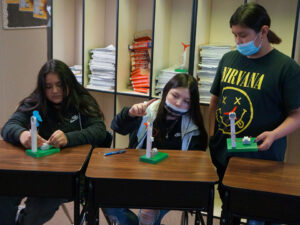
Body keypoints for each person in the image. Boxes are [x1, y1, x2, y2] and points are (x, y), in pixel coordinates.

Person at [208, 2, 300, 225]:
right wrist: (212, 137)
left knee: (257, 216)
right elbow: (215, 100)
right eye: (234, 35)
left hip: (261, 160)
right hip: (226, 154)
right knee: (228, 210)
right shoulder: (228, 59)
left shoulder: (286, 68)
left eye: (243, 35)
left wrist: (274, 135)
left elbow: (296, 114)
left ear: (264, 31)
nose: (238, 41)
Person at [0, 59, 107, 225]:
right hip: (34, 171)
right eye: (48, 87)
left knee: (37, 210)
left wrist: (68, 138)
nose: (54, 91)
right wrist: (22, 134)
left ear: (69, 83)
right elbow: (9, 126)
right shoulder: (35, 101)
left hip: (66, 177)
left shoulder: (83, 102)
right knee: (4, 192)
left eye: (59, 85)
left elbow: (99, 130)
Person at [103, 73, 208, 225]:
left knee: (148, 212)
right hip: (138, 175)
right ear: (166, 92)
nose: (178, 103)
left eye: (186, 101)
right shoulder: (148, 111)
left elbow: (193, 165)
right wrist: (130, 113)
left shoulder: (193, 128)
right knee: (103, 195)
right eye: (175, 96)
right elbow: (117, 127)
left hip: (171, 183)